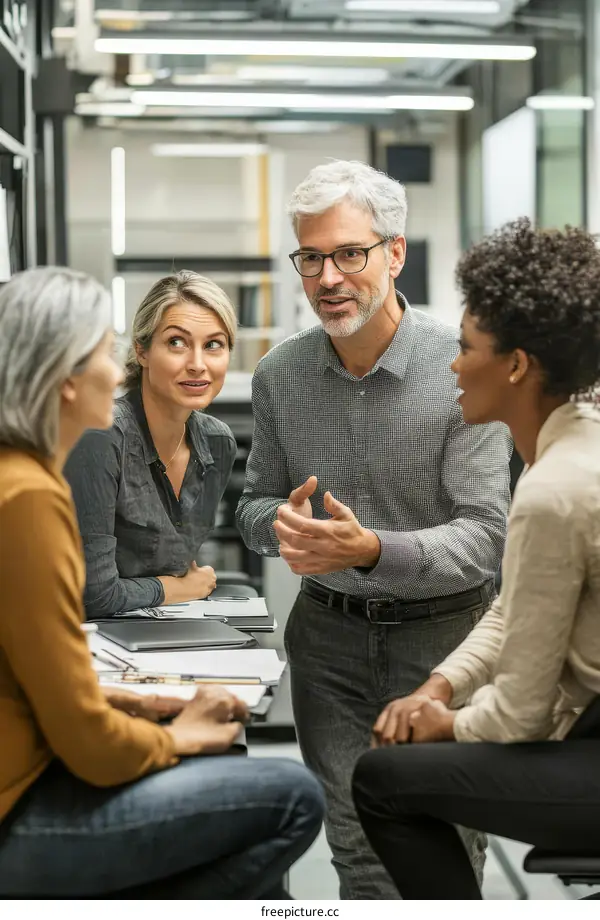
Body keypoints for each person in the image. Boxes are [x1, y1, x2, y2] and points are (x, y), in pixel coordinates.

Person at [0, 266, 324, 898]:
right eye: (103, 352)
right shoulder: (29, 497)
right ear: (62, 378)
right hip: (20, 803)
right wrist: (174, 735)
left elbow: (47, 682)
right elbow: (84, 737)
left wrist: (149, 708)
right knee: (292, 795)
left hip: (39, 758)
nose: (114, 368)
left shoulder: (20, 478)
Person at [236, 159, 511, 899]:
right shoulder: (280, 376)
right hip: (328, 646)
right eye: (311, 257)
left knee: (443, 858)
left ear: (395, 253)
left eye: (349, 254)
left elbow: (486, 538)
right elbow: (253, 506)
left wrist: (373, 551)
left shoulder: (464, 368)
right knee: (356, 852)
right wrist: (281, 525)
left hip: (445, 647)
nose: (328, 278)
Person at [352, 219, 600, 900]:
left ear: (516, 365)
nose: (453, 365)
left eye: (466, 348)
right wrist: (440, 686)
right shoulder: (578, 444)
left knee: (380, 781)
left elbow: (519, 717)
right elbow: (513, 609)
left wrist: (446, 724)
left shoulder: (553, 490)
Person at [65, 271, 237, 619]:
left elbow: (178, 564)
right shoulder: (101, 436)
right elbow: (93, 594)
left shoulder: (218, 444)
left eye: (213, 345)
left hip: (166, 624)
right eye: (177, 342)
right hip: (95, 634)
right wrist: (180, 588)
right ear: (142, 350)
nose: (197, 365)